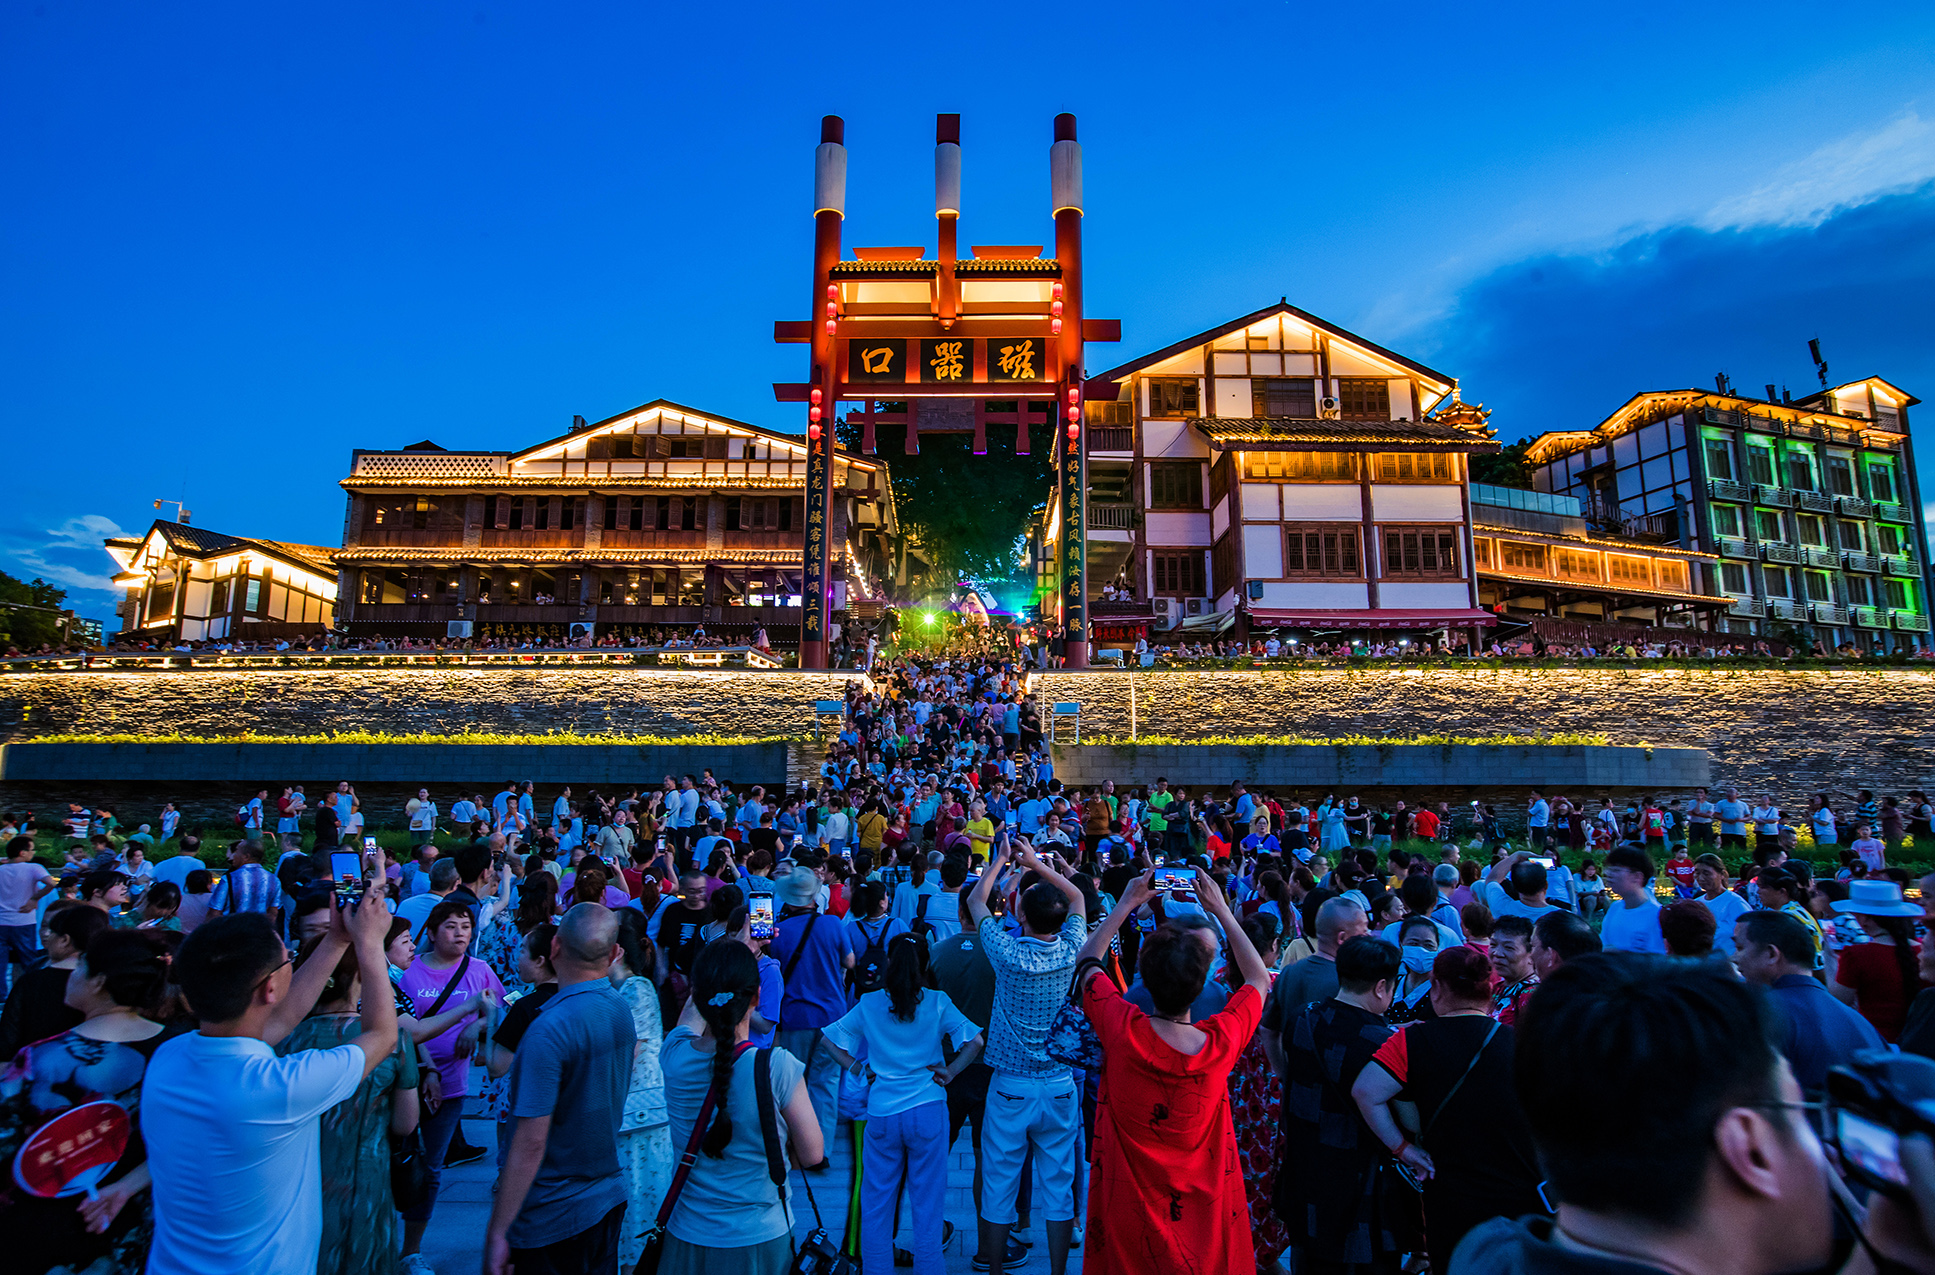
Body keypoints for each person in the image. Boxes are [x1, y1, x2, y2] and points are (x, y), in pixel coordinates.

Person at [1450, 953, 1935, 1275]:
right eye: (1802, 1109)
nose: (1828, 1147)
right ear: (1749, 1147)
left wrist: (1890, 1252)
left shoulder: (1487, 1252)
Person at [141, 883, 398, 1275]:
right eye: (288, 959)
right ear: (270, 987)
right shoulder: (280, 1088)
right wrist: (371, 943)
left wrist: (335, 940)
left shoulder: (168, 1059)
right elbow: (382, 1035)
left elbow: (276, 1020)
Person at [1073, 865, 1271, 1275]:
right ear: (1203, 987)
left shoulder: (1121, 1028)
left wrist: (1128, 901)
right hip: (1203, 1216)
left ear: (1143, 973)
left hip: (1130, 1215)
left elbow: (1088, 961)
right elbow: (1257, 978)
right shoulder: (1220, 1043)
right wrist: (1222, 910)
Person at [1353, 945, 1542, 1273]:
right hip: (1518, 1193)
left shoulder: (1410, 1041)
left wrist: (1403, 1149)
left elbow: (1366, 1092)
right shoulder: (1521, 1043)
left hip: (1449, 1193)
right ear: (1488, 991)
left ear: (1437, 988)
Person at [0, 929, 173, 1275]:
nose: (72, 974)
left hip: (47, 1223)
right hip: (141, 1219)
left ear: (98, 982)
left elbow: (6, 1141)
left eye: (80, 967)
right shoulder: (177, 1050)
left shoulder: (39, 1057)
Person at [484, 905, 639, 1275]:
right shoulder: (619, 1008)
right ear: (615, 953)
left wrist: (498, 1231)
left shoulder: (547, 1029)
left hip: (550, 1216)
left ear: (554, 948)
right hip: (608, 1197)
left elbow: (530, 1142)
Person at [654, 938, 823, 1274]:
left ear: (697, 996)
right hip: (759, 1236)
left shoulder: (673, 1055)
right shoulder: (777, 1067)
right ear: (757, 997)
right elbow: (813, 1154)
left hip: (687, 1234)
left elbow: (690, 1016)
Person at [821, 932, 984, 1275]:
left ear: (889, 964)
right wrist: (951, 1071)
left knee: (876, 1205)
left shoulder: (869, 1003)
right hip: (928, 1110)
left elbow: (829, 1040)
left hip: (882, 1112)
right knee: (928, 1207)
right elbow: (975, 1041)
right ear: (925, 963)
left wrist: (856, 1067)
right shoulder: (938, 1002)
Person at [965, 839, 1087, 1275]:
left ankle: (994, 1268)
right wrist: (1037, 863)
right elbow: (1076, 896)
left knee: (999, 1183)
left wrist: (1001, 859)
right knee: (1058, 1184)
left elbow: (977, 899)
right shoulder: (1073, 947)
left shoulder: (1008, 953)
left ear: (1019, 915)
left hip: (1010, 1084)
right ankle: (1057, 1271)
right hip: (1058, 1082)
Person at [276, 932, 419, 1275]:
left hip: (294, 1190)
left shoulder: (280, 1040)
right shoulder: (394, 1041)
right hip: (367, 1184)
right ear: (361, 976)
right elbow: (405, 1123)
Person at [1275, 934, 1408, 1275]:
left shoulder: (1302, 1019)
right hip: (1359, 1182)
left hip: (1304, 1170)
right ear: (1382, 987)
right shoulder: (1384, 1043)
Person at [393, 898, 504, 1262]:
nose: (460, 934)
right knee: (396, 1161)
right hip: (408, 1080)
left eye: (466, 927)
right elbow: (406, 1030)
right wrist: (429, 1071)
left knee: (432, 1167)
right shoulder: (410, 972)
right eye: (451, 926)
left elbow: (502, 1010)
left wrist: (478, 1024)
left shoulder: (480, 969)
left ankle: (412, 1251)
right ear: (433, 932)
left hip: (452, 1085)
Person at [1732, 909, 1883, 1093]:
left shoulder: (1762, 1014)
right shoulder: (1860, 1022)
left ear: (1772, 954)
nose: (1734, 958)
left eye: (1740, 948)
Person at [610, 910, 673, 1272]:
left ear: (615, 952)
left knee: (639, 1198)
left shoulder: (636, 988)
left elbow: (627, 1048)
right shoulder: (627, 988)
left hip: (640, 1116)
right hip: (635, 1114)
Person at [1260, 895, 1367, 1077]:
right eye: (1363, 931)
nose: (1368, 935)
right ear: (1342, 937)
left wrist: (1284, 1075)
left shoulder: (1288, 973)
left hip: (1297, 1086)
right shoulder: (1348, 982)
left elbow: (1268, 1030)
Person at [0, 902, 110, 1056]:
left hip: (35, 1065)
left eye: (51, 930)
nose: (45, 935)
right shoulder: (109, 979)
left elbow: (8, 1039)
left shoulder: (32, 982)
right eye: (43, 926)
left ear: (65, 939)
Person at [1826, 878, 1924, 1042]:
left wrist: (1829, 959)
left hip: (1874, 1042)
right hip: (1919, 1044)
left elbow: (1838, 1002)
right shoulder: (1923, 950)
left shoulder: (1857, 954)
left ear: (1863, 919)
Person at [0, 835, 55, 994]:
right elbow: (51, 883)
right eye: (31, 849)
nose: (33, 853)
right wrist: (34, 898)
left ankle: (2, 996)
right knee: (29, 960)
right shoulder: (33, 868)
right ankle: (33, 992)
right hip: (24, 921)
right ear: (22, 852)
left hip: (1, 921)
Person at [1598, 846, 1666, 954]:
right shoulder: (1615, 908)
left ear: (1637, 877)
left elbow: (1658, 959)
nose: (1609, 874)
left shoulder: (1656, 915)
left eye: (1616, 870)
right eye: (1609, 869)